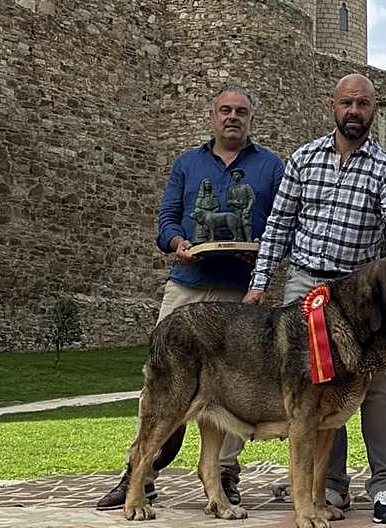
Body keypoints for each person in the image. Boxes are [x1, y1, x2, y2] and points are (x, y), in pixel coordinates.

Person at [244, 73, 386, 525]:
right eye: (347, 103)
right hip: (305, 285)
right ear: (333, 105)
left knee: (375, 387)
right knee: (312, 390)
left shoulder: (385, 168)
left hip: (358, 294)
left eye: (363, 104)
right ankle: (331, 485)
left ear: (375, 110)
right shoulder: (303, 159)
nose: (354, 111)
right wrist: (260, 281)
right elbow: (280, 226)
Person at [96, 84, 285, 512]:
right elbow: (166, 220)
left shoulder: (271, 167)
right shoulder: (187, 164)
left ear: (251, 118)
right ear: (211, 116)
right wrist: (177, 241)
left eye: (240, 111)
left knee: (236, 386)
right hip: (187, 283)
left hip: (240, 292)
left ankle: (224, 473)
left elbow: (280, 225)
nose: (232, 117)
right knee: (164, 383)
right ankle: (140, 473)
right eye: (225, 110)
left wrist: (258, 253)